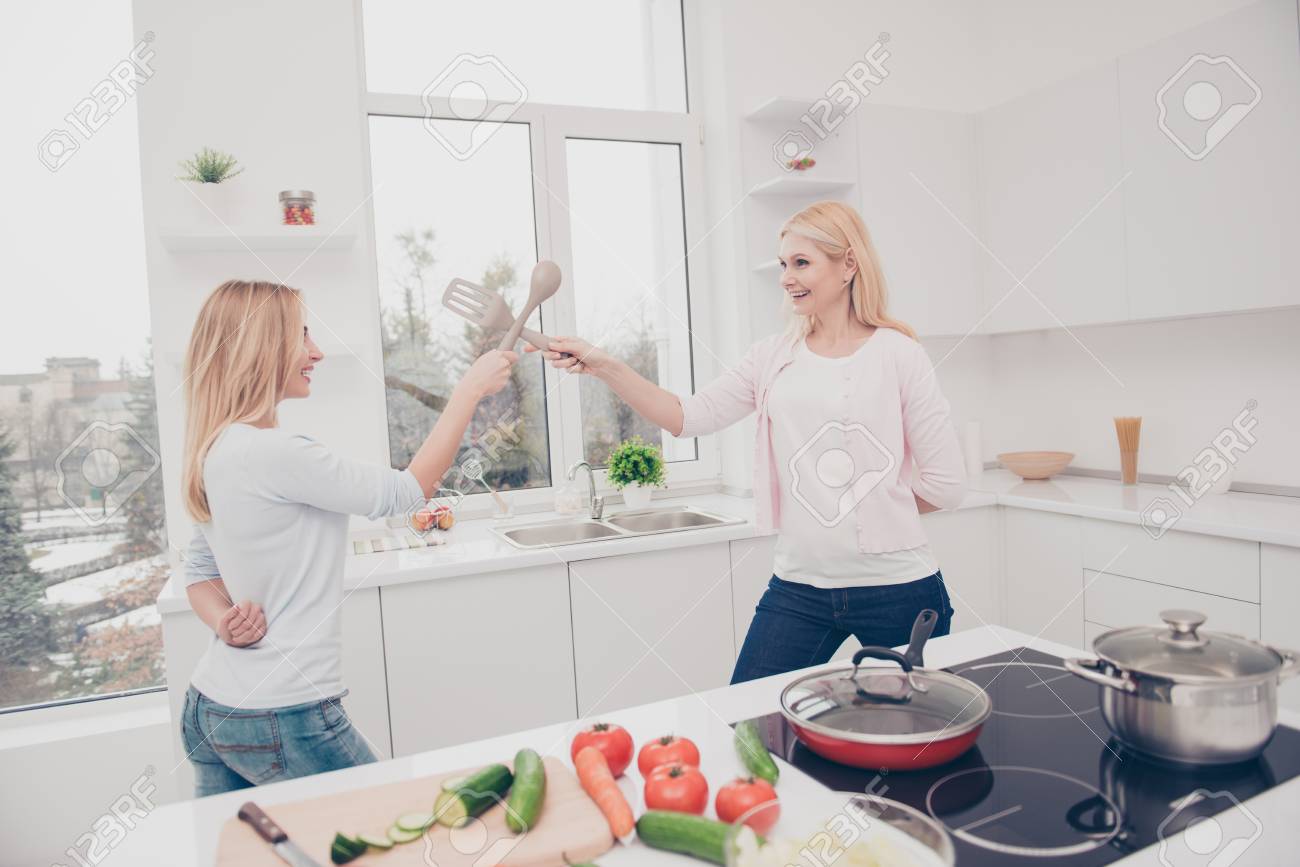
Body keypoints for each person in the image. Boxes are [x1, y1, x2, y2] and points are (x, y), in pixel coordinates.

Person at [530, 201, 966, 683]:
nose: (785, 277)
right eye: (783, 264)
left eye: (801, 263)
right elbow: (688, 416)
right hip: (800, 588)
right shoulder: (772, 357)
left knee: (912, 734)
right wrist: (605, 365)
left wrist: (874, 507)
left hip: (898, 588)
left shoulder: (899, 354)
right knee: (747, 720)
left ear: (848, 265)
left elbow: (947, 486)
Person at [178, 279, 515, 795]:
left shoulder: (215, 450)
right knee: (390, 830)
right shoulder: (277, 452)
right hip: (283, 712)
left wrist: (223, 621)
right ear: (261, 347)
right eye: (302, 336)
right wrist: (469, 391)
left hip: (211, 707)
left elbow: (200, 574)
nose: (316, 352)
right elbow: (407, 492)